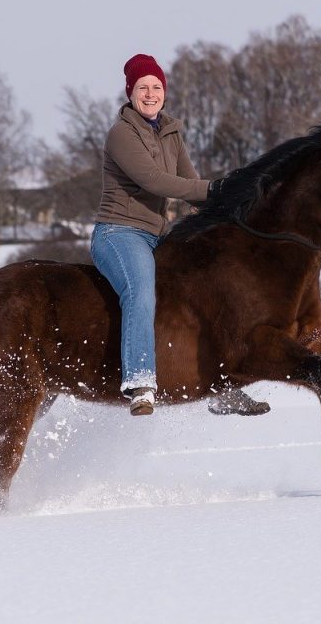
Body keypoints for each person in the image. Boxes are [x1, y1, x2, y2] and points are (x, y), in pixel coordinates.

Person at [90, 54, 218, 416]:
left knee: (207, 283)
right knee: (140, 291)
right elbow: (155, 181)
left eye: (157, 87)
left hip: (159, 235)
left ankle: (222, 384)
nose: (150, 94)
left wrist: (225, 205)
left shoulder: (171, 132)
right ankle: (140, 381)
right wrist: (213, 188)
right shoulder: (121, 133)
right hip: (119, 232)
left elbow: (190, 183)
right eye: (142, 87)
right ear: (130, 93)